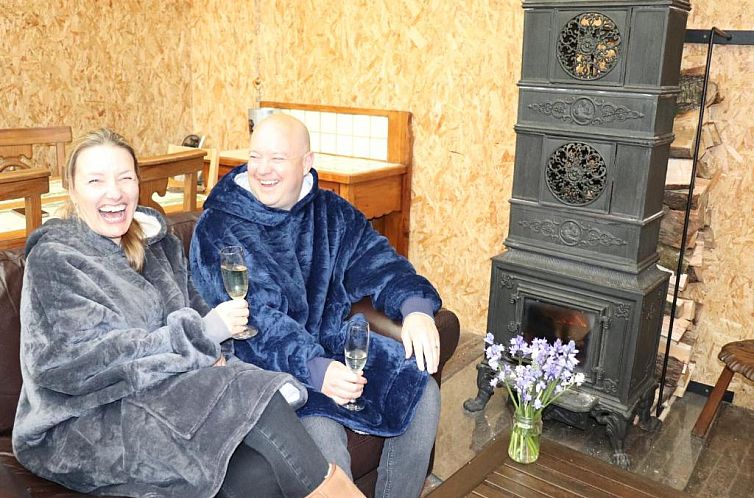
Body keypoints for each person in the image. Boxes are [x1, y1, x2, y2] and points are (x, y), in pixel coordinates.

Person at [12, 128, 364, 498]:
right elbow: (81, 363)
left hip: (163, 400)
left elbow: (198, 312)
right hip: (84, 422)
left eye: (125, 178)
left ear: (137, 183)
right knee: (254, 397)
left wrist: (212, 351)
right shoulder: (56, 259)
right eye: (96, 180)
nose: (113, 192)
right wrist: (200, 339)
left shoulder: (158, 246)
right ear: (71, 188)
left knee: (258, 472)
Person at [190, 114, 442, 498]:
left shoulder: (331, 214)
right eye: (255, 156)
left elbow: (378, 262)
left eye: (277, 158)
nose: (262, 170)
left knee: (420, 390)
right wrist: (316, 369)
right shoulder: (220, 227)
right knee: (323, 438)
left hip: (332, 345)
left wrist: (416, 307)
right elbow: (254, 321)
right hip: (268, 370)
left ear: (306, 162)